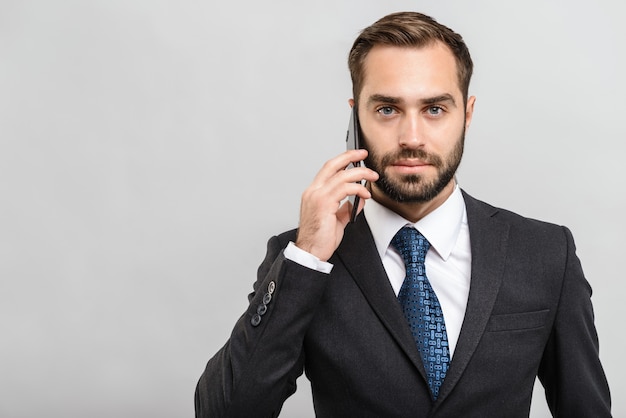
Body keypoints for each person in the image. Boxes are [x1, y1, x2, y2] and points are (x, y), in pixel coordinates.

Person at [194, 11, 611, 417]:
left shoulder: (545, 254)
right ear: (356, 116)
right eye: (387, 110)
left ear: (466, 115)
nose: (412, 138)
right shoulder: (304, 258)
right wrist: (306, 258)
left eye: (434, 109)